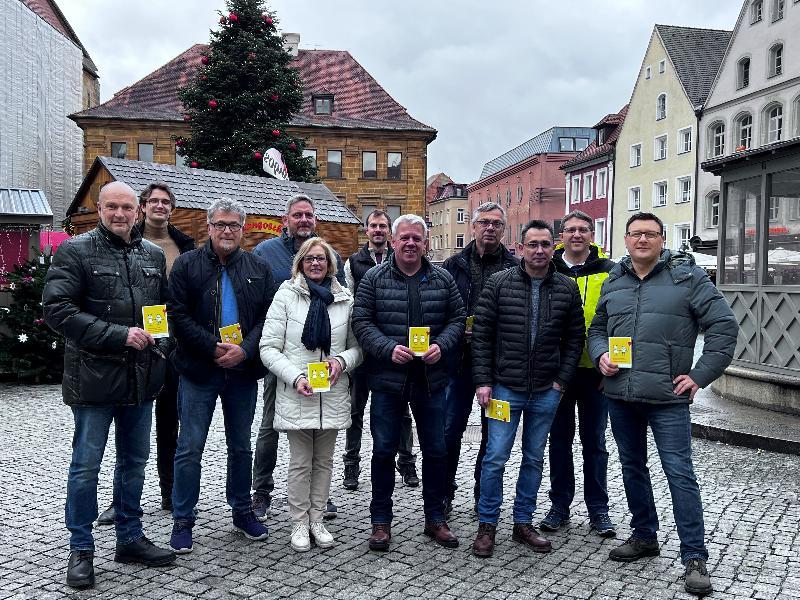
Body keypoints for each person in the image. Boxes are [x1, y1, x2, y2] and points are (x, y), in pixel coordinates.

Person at [587, 212, 737, 596]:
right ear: (625, 239)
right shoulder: (615, 280)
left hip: (668, 398)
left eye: (650, 234)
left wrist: (700, 375)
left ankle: (694, 557)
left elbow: (724, 326)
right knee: (632, 466)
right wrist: (601, 353)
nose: (642, 240)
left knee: (679, 474)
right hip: (620, 394)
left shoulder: (687, 277)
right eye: (635, 233)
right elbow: (598, 328)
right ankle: (644, 535)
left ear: (662, 239)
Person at [43, 181, 175, 589]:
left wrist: (162, 347)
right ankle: (81, 547)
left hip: (140, 379)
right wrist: (119, 335)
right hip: (94, 379)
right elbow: (58, 310)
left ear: (138, 212)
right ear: (99, 209)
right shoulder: (75, 251)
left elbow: (159, 313)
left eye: (127, 208)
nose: (120, 214)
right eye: (112, 207)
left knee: (134, 462)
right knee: (86, 467)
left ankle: (130, 537)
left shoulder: (151, 256)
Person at [470, 219, 584, 558]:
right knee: (495, 458)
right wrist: (483, 380)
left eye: (545, 244)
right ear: (520, 248)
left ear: (554, 247)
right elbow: (482, 336)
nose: (538, 250)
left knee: (534, 458)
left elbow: (576, 337)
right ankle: (487, 525)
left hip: (546, 390)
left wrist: (562, 380)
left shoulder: (566, 287)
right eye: (532, 244)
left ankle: (523, 522)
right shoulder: (499, 283)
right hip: (505, 387)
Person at [351, 214, 465, 551]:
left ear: (425, 243)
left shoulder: (442, 279)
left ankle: (435, 518)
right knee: (384, 450)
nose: (411, 243)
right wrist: (387, 348)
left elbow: (457, 319)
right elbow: (361, 320)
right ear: (393, 241)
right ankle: (381, 522)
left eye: (417, 238)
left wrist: (440, 346)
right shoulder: (373, 278)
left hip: (431, 380)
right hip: (389, 379)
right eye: (405, 238)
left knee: (435, 450)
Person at [168, 198, 275, 554]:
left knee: (240, 447)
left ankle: (242, 511)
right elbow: (177, 315)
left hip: (241, 371)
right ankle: (183, 519)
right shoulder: (186, 265)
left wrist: (244, 349)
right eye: (220, 225)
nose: (226, 231)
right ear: (209, 227)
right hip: (199, 369)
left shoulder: (258, 267)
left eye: (233, 225)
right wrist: (212, 347)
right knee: (189, 447)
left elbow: (267, 319)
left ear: (242, 230)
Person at [96, 182, 195, 527]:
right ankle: (120, 500)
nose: (159, 206)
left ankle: (169, 491)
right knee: (127, 427)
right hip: (130, 344)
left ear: (172, 208)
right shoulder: (125, 239)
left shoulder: (183, 245)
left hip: (171, 345)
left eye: (165, 201)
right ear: (142, 206)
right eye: (153, 200)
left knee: (170, 423)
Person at [259, 238, 363, 551]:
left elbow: (358, 348)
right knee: (301, 463)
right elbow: (268, 348)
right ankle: (299, 522)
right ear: (301, 263)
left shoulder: (345, 299)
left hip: (331, 392)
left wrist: (341, 361)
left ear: (330, 264)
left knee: (325, 462)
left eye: (321, 259)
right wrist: (295, 377)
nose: (315, 264)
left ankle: (317, 519)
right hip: (298, 391)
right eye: (309, 259)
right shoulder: (286, 295)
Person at [251, 194, 345, 520]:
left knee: (320, 425)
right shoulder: (265, 253)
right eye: (297, 215)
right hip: (283, 356)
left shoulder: (330, 255)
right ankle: (261, 491)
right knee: (270, 424)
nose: (303, 220)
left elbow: (341, 300)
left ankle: (319, 498)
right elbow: (257, 304)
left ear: (315, 220)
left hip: (322, 359)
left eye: (308, 215)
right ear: (285, 220)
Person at [538, 210, 616, 537]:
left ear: (592, 235)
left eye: (583, 229)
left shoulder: (611, 272)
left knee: (595, 442)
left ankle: (598, 509)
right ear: (561, 235)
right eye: (570, 229)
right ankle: (560, 505)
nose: (577, 235)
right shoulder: (546, 269)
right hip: (557, 372)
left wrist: (613, 365)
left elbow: (620, 320)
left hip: (597, 371)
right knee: (559, 440)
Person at [441, 202, 517, 514]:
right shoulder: (452, 264)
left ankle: (482, 494)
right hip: (457, 362)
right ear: (473, 227)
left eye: (496, 224)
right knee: (449, 429)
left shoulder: (514, 267)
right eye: (484, 222)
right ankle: (443, 493)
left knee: (493, 432)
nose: (489, 228)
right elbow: (441, 309)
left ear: (503, 230)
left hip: (498, 366)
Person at [342, 209, 418, 491]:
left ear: (390, 232)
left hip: (397, 347)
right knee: (355, 411)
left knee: (403, 412)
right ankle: (351, 465)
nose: (377, 230)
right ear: (366, 230)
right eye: (373, 226)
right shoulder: (354, 262)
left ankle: (407, 461)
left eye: (382, 226)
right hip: (364, 348)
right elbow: (349, 305)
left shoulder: (401, 258)